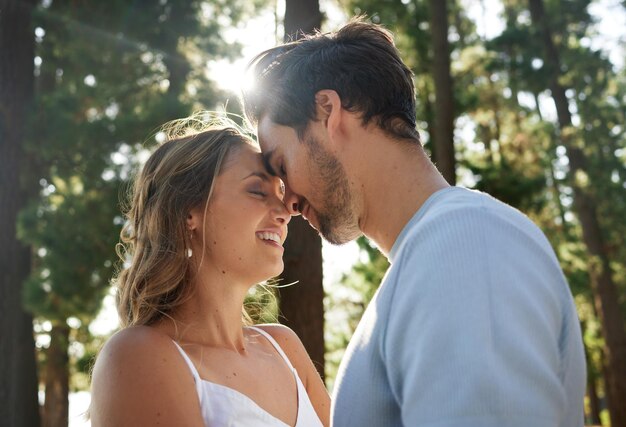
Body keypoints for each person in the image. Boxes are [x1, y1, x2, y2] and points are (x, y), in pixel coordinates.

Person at [242, 18, 586, 427]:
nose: (290, 202)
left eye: (282, 165)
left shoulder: (466, 243)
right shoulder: (429, 260)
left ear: (329, 110)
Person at [90, 119, 330, 427]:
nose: (284, 212)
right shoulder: (137, 356)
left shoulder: (284, 347)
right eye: (257, 191)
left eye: (280, 193)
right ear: (189, 211)